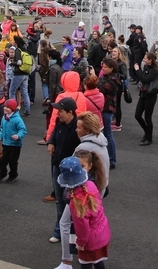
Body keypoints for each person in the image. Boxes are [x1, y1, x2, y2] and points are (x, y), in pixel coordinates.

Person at [57, 156, 111, 269]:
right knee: (98, 262)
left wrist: (80, 243)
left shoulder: (75, 203)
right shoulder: (91, 185)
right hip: (101, 233)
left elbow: (82, 229)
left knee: (85, 264)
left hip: (89, 241)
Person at [48, 96, 82, 242]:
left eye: (60, 111)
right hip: (57, 166)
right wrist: (50, 142)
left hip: (71, 172)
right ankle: (59, 230)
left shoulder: (78, 128)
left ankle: (74, 231)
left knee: (72, 202)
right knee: (59, 200)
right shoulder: (59, 122)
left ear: (70, 112)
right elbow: (54, 134)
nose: (58, 113)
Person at [97, 58, 120, 169]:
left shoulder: (113, 80)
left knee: (108, 135)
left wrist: (95, 77)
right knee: (105, 134)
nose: (103, 69)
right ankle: (107, 158)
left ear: (112, 68)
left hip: (107, 109)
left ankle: (112, 160)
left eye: (105, 67)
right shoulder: (107, 77)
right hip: (104, 108)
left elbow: (100, 88)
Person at [0, 99, 26, 183]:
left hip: (15, 145)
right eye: (5, 106)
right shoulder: (4, 117)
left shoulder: (17, 119)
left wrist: (18, 136)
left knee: (12, 161)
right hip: (5, 143)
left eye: (8, 107)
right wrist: (0, 137)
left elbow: (23, 130)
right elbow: (2, 129)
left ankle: (13, 174)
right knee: (2, 160)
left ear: (13, 108)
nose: (5, 108)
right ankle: (2, 173)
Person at [134, 52, 158, 146]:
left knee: (147, 118)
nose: (144, 59)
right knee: (137, 115)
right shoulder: (146, 67)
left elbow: (144, 79)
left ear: (150, 60)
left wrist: (137, 70)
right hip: (143, 94)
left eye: (146, 58)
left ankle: (149, 138)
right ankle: (147, 131)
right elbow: (142, 77)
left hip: (150, 95)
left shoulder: (154, 70)